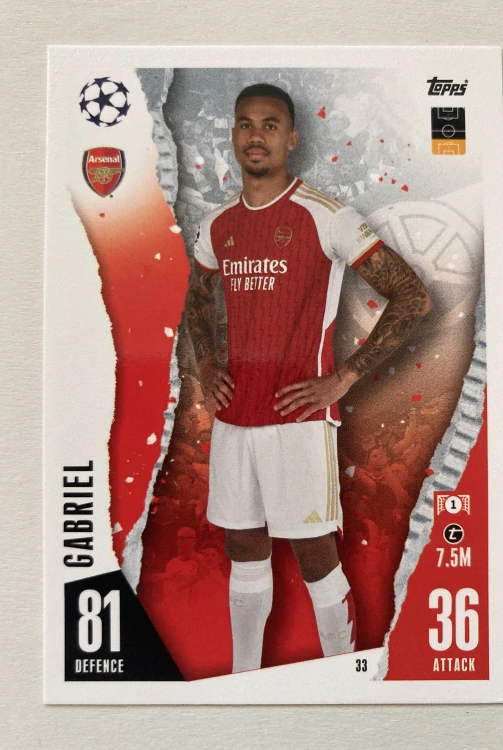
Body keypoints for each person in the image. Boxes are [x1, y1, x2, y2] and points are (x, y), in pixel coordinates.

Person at [184, 83, 432, 673]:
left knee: (316, 555)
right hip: (234, 418)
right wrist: (207, 363)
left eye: (270, 125)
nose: (256, 136)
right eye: (245, 124)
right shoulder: (216, 225)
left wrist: (345, 377)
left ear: (292, 138)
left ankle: (344, 679)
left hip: (299, 419)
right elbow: (197, 299)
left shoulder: (327, 216)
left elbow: (412, 296)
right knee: (243, 548)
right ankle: (244, 679)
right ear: (233, 135)